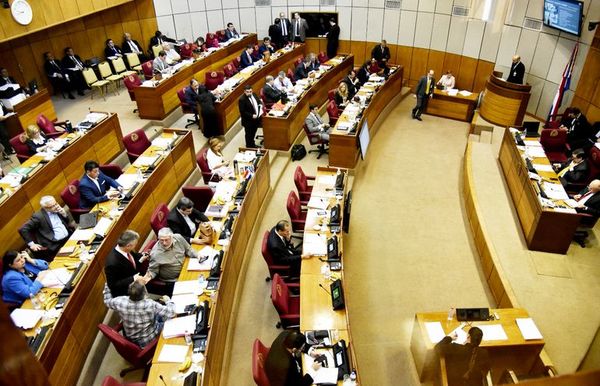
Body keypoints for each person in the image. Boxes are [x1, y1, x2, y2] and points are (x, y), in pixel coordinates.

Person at [103, 281, 175, 347]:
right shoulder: (150, 304)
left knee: (159, 314)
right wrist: (168, 301)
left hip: (131, 338)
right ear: (145, 292)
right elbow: (171, 312)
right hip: (148, 339)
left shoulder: (120, 301)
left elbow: (107, 301)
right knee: (172, 320)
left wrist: (108, 283)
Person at [19, 196, 76, 261]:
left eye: (56, 204)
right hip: (55, 245)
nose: (56, 206)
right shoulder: (38, 217)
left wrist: (64, 214)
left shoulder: (57, 209)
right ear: (45, 208)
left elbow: (66, 222)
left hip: (68, 237)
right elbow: (23, 229)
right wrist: (32, 244)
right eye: (52, 206)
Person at [148, 227, 202, 295]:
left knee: (202, 279)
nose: (164, 243)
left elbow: (188, 249)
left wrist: (197, 255)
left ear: (172, 237)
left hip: (186, 267)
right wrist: (148, 277)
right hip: (174, 280)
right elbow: (153, 270)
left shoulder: (178, 237)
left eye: (166, 240)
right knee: (194, 292)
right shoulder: (155, 254)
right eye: (161, 240)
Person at [104, 230, 151, 297]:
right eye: (135, 244)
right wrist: (133, 278)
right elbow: (113, 285)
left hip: (137, 283)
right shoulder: (112, 263)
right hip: (127, 292)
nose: (135, 246)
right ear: (128, 246)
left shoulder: (124, 248)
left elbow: (133, 257)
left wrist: (142, 257)